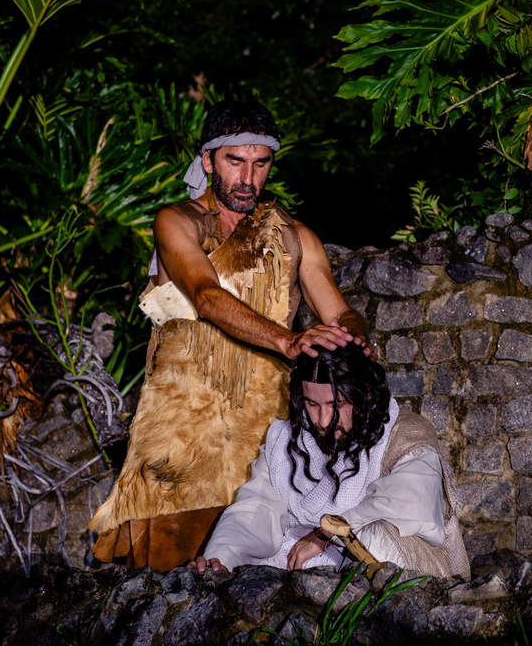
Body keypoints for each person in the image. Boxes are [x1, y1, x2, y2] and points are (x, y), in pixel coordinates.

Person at [88, 99, 373, 572]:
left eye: (260, 164)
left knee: (251, 574)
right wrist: (288, 341)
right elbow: (205, 295)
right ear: (207, 160)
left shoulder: (297, 237)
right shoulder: (177, 222)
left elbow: (340, 311)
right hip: (180, 430)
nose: (248, 178)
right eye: (235, 161)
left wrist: (352, 339)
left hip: (262, 432)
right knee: (161, 579)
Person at [188, 344, 469, 579]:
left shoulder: (405, 431)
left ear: (365, 395)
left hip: (393, 561)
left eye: (336, 405)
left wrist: (325, 534)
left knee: (380, 541)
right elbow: (257, 509)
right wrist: (221, 556)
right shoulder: (289, 439)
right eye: (312, 404)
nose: (323, 421)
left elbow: (410, 502)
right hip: (299, 559)